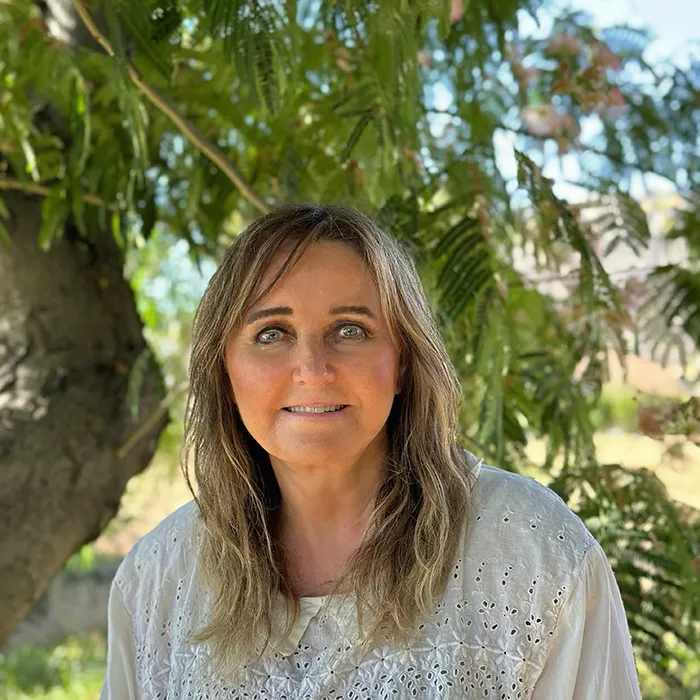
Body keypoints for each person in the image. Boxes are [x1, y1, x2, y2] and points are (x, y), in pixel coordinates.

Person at [100, 203, 642, 699]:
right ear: (224, 368)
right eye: (271, 333)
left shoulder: (533, 554)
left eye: (350, 329)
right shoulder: (157, 579)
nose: (312, 370)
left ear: (403, 361)